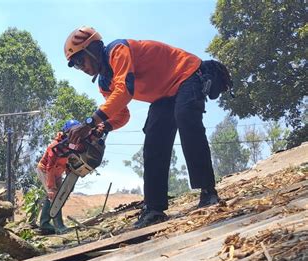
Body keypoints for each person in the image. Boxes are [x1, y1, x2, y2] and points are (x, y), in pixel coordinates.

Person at [64, 26, 220, 229]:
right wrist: (102, 128)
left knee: (186, 119)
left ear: (93, 49)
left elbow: (125, 90)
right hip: (164, 95)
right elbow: (122, 114)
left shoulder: (117, 50)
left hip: (186, 73)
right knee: (154, 142)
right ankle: (154, 209)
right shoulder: (104, 83)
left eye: (79, 60)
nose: (80, 67)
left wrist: (88, 123)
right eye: (75, 65)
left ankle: (208, 192)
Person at [35, 119, 81, 234]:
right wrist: (51, 187)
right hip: (45, 170)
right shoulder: (55, 146)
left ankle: (45, 224)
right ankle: (58, 225)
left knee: (58, 196)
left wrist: (70, 172)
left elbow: (67, 160)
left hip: (58, 172)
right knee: (55, 196)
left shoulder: (71, 145)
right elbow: (49, 167)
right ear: (67, 132)